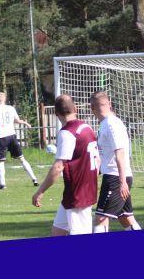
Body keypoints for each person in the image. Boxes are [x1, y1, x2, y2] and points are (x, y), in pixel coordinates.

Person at [32, 94, 98, 236]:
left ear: (56, 114)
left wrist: (40, 191)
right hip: (83, 189)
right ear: (75, 109)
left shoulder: (67, 133)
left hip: (78, 193)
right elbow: (98, 160)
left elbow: (58, 167)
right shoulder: (87, 127)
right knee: (58, 232)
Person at [90, 91, 141, 232]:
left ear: (92, 108)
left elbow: (120, 153)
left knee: (100, 218)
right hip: (116, 176)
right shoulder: (106, 123)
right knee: (125, 218)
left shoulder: (111, 124)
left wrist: (122, 182)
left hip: (115, 178)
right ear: (110, 104)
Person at [0, 91, 37, 189]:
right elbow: (17, 120)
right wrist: (26, 123)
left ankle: (2, 184)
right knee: (22, 159)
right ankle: (34, 179)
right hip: (12, 136)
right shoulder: (11, 108)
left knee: (0, 162)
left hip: (2, 138)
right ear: (5, 99)